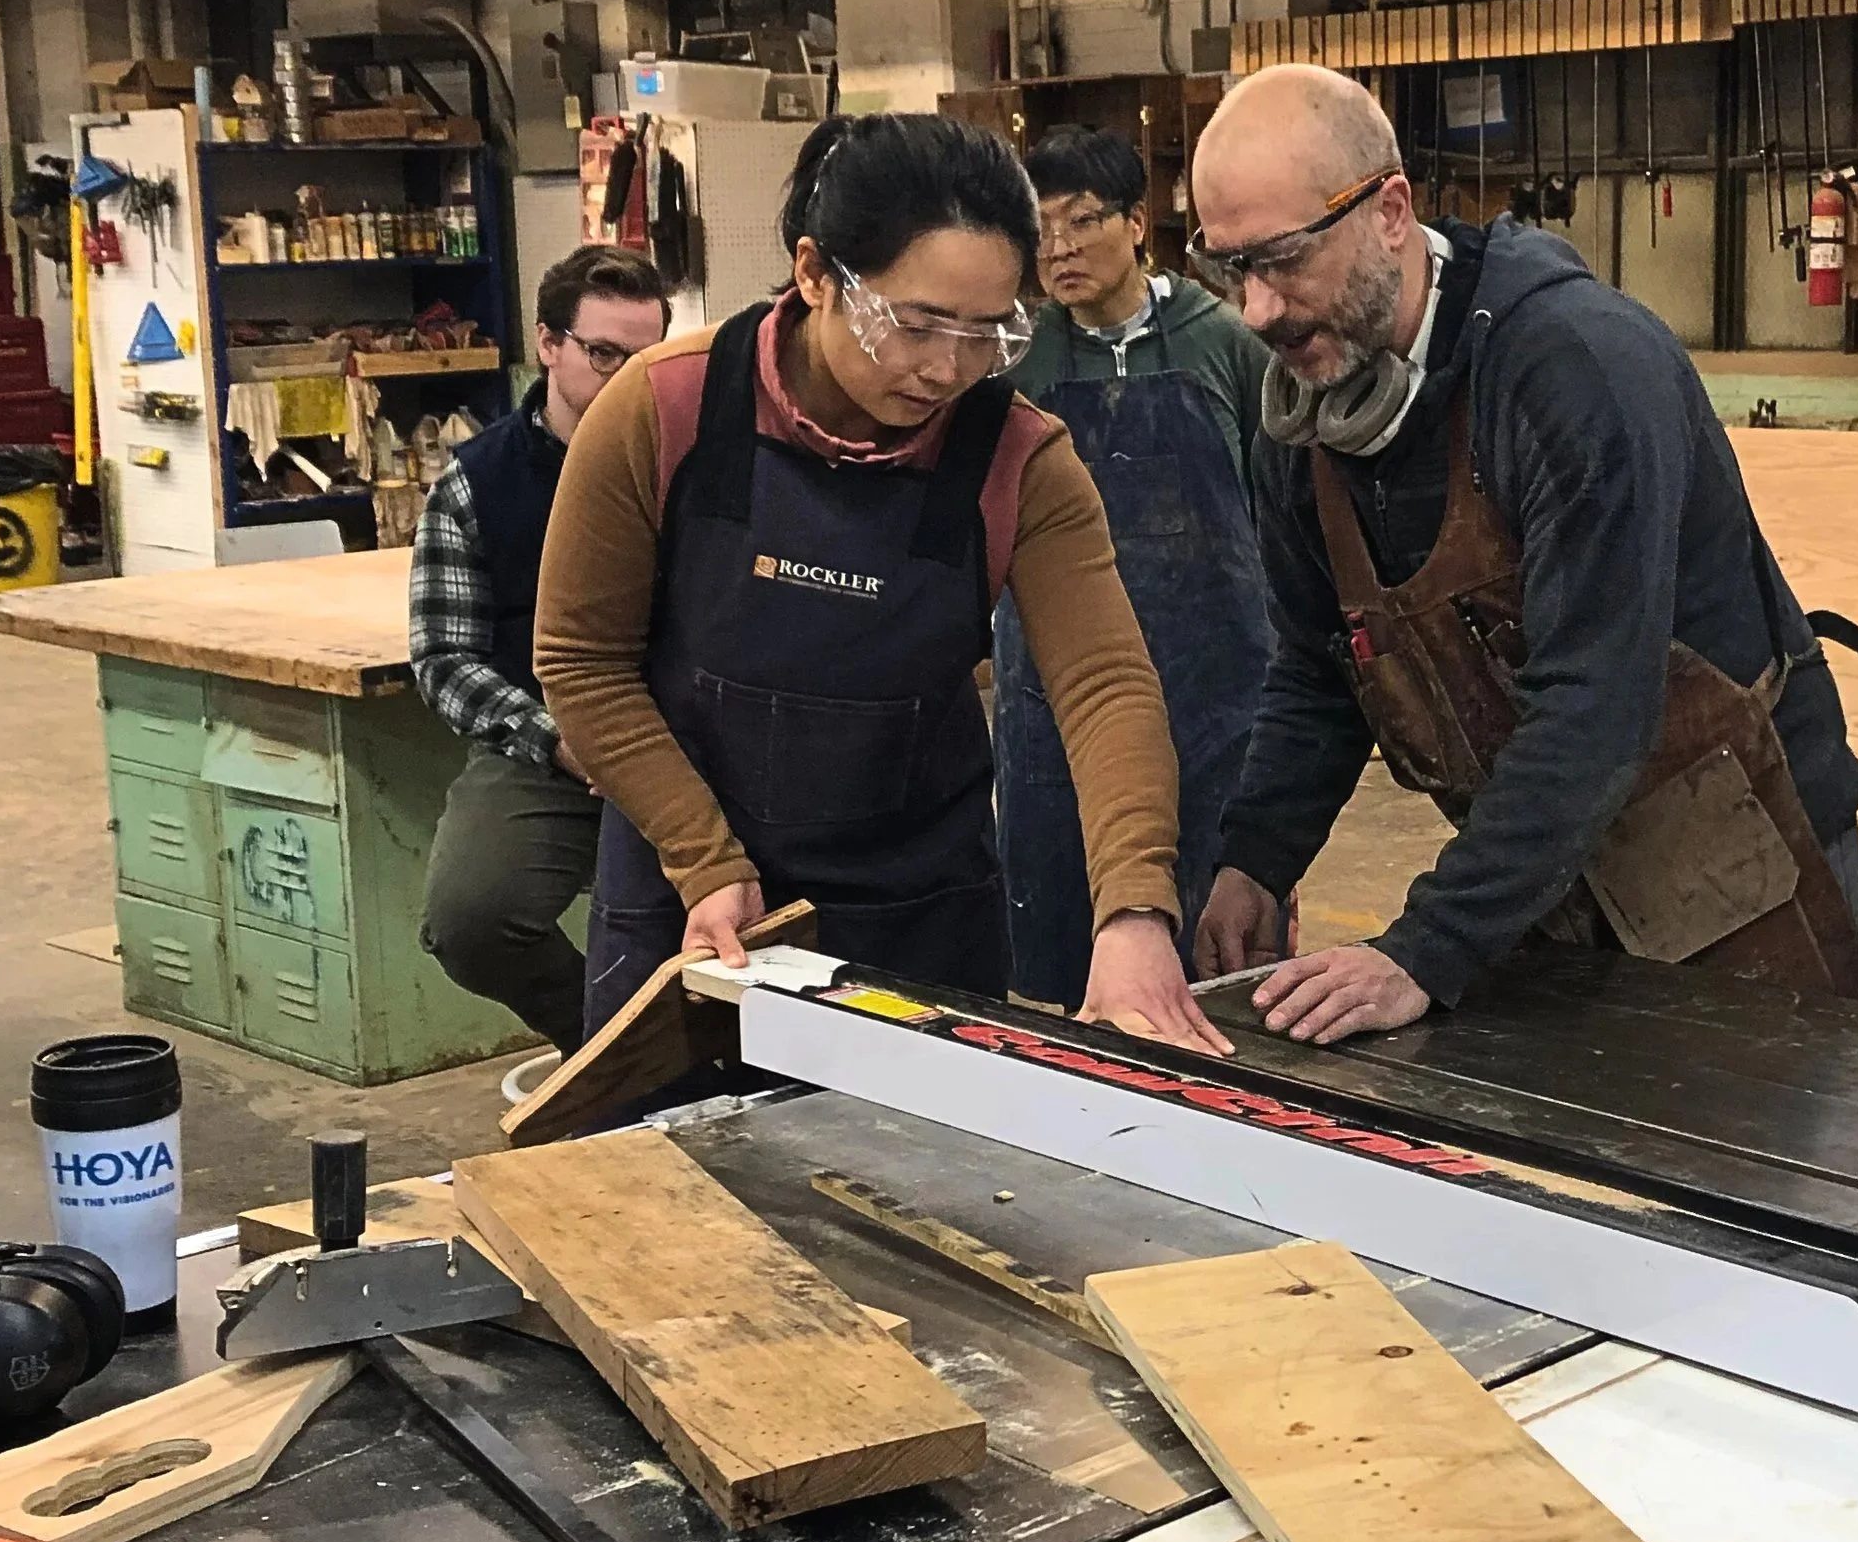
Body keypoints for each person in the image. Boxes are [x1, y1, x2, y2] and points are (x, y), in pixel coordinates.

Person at [1189, 65, 1858, 1050]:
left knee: (1776, 1178)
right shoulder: (1302, 419)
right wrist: (1253, 858)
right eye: (1229, 269)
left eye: (1285, 260)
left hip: (1741, 857)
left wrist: (1425, 948)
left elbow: (1596, 704)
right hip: (1551, 869)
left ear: (1390, 211)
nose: (1257, 311)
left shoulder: (1575, 367)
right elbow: (1320, 676)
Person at [534, 110, 1225, 1055]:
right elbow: (580, 664)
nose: (947, 369)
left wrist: (1135, 909)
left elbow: (1104, 689)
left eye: (988, 333)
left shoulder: (1018, 458)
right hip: (697, 913)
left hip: (919, 918)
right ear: (817, 273)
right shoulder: (664, 410)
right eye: (914, 324)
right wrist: (701, 856)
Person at [992, 123, 1272, 1009]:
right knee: (1055, 943)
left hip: (1221, 695)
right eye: (1042, 232)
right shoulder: (1019, 360)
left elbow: (1283, 506)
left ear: (1138, 222)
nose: (1062, 249)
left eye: (1082, 221)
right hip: (1053, 700)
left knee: (1224, 949)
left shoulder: (1227, 343)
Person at [413, 243, 669, 1052]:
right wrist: (557, 741)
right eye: (604, 355)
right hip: (549, 747)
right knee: (472, 919)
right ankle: (611, 1052)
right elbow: (445, 660)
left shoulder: (695, 464)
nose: (627, 379)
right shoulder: (475, 483)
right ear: (548, 344)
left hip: (683, 740)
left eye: (647, 358)